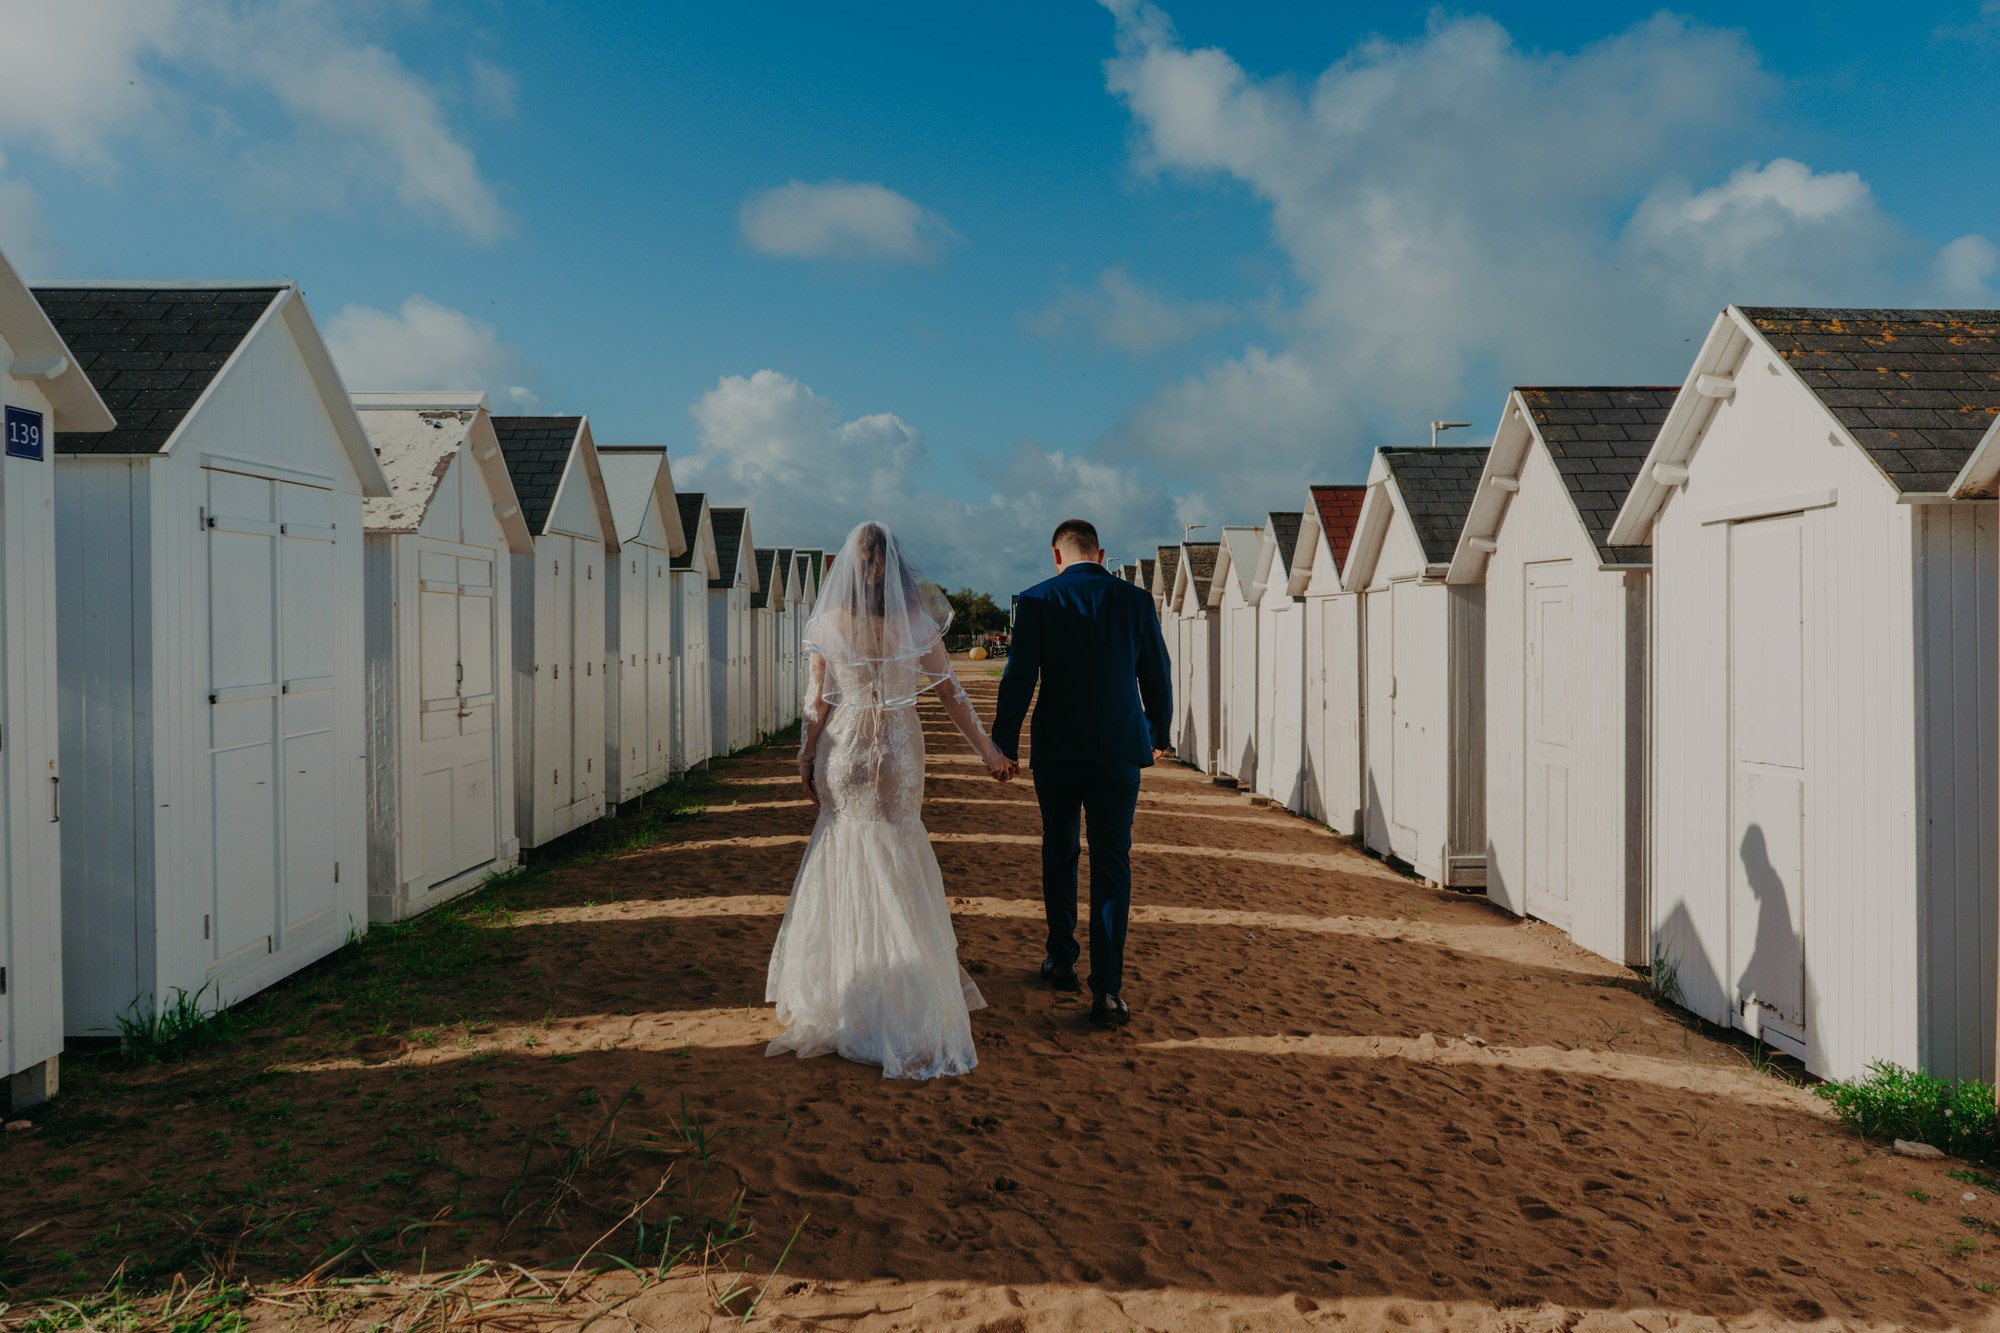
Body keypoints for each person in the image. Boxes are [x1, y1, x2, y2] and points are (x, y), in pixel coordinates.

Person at [765, 521, 1016, 1080]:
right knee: (899, 859)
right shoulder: (916, 623)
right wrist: (989, 751)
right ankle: (904, 1000)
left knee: (843, 851)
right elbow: (951, 693)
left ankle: (845, 997)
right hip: (900, 749)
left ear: (848, 570)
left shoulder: (828, 622)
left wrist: (805, 758)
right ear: (899, 569)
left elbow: (815, 705)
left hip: (844, 748)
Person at [991, 518, 1172, 1026]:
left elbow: (1019, 676)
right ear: (1101, 554)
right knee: (1114, 862)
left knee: (1060, 849)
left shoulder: (1038, 601)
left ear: (1056, 555)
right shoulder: (1134, 601)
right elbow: (1157, 671)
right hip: (1118, 749)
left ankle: (1062, 959)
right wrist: (1158, 733)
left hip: (1059, 750)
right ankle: (1108, 990)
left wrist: (1003, 743)